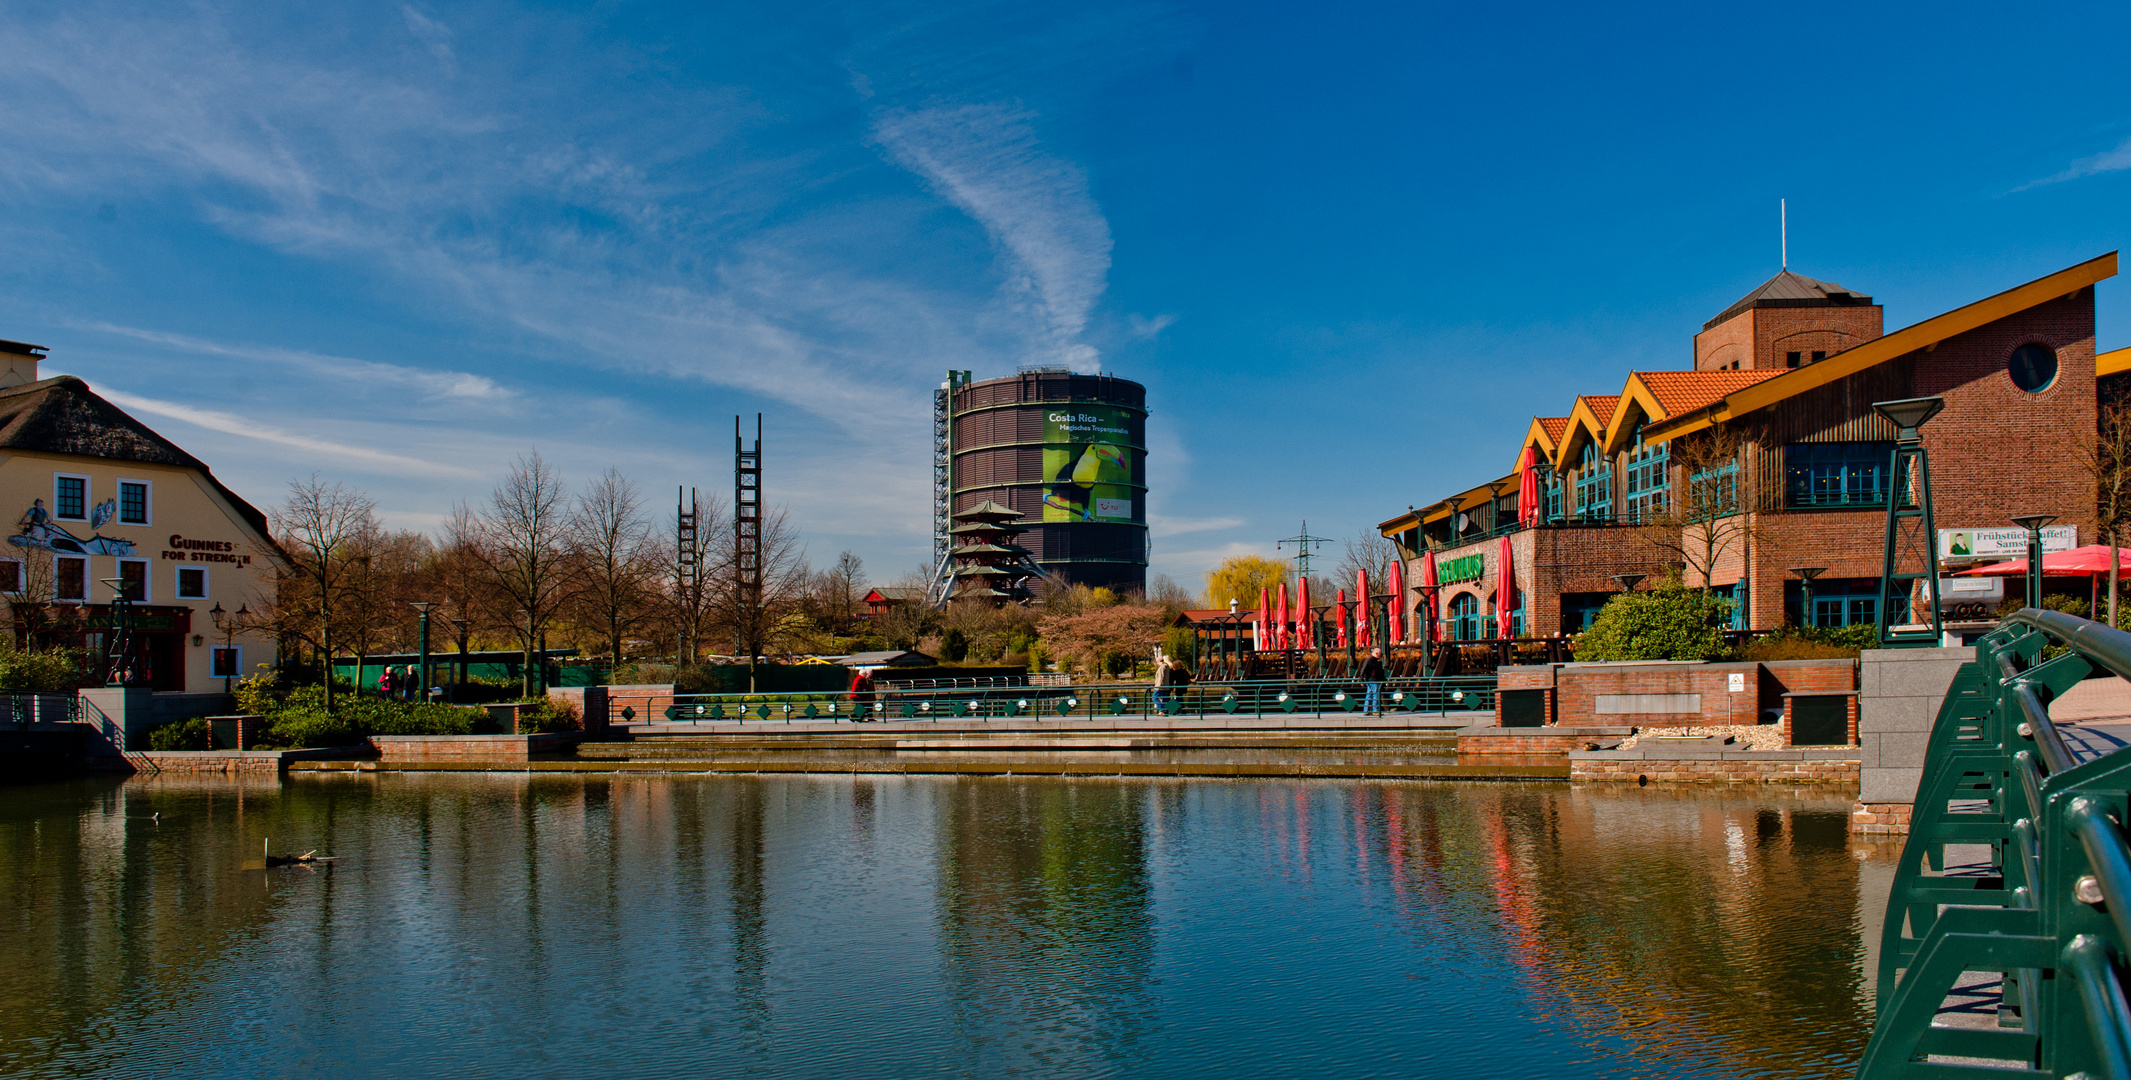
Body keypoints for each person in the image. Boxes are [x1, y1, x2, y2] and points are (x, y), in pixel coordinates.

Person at [1359, 647, 1386, 715]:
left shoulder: (1373, 660)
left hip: (1370, 679)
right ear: (1377, 653)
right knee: (1376, 694)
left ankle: (1366, 710)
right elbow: (1364, 669)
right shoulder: (1371, 660)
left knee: (1369, 695)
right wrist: (1361, 679)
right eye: (1380, 654)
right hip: (1373, 679)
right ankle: (1375, 710)